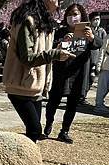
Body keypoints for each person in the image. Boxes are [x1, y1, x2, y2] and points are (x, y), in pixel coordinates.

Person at [3, 0, 73, 143]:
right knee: (35, 131)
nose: (59, 4)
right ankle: (11, 156)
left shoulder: (44, 22)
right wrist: (54, 54)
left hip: (36, 87)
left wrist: (57, 48)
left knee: (33, 133)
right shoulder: (27, 21)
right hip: (20, 85)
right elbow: (27, 58)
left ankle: (27, 163)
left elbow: (41, 50)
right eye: (56, 0)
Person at [43, 3, 102, 144]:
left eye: (75, 14)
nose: (72, 17)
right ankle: (48, 124)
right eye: (69, 14)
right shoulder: (61, 31)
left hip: (79, 72)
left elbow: (98, 44)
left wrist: (92, 38)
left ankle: (65, 131)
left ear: (81, 15)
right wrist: (62, 42)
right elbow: (51, 47)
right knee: (53, 101)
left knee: (72, 103)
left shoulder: (88, 31)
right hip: (61, 71)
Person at [80, 11, 107, 104]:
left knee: (92, 77)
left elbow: (103, 43)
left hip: (96, 57)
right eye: (95, 19)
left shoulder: (102, 31)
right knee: (84, 76)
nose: (97, 21)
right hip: (87, 56)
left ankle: (84, 95)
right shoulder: (87, 29)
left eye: (98, 19)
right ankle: (81, 96)